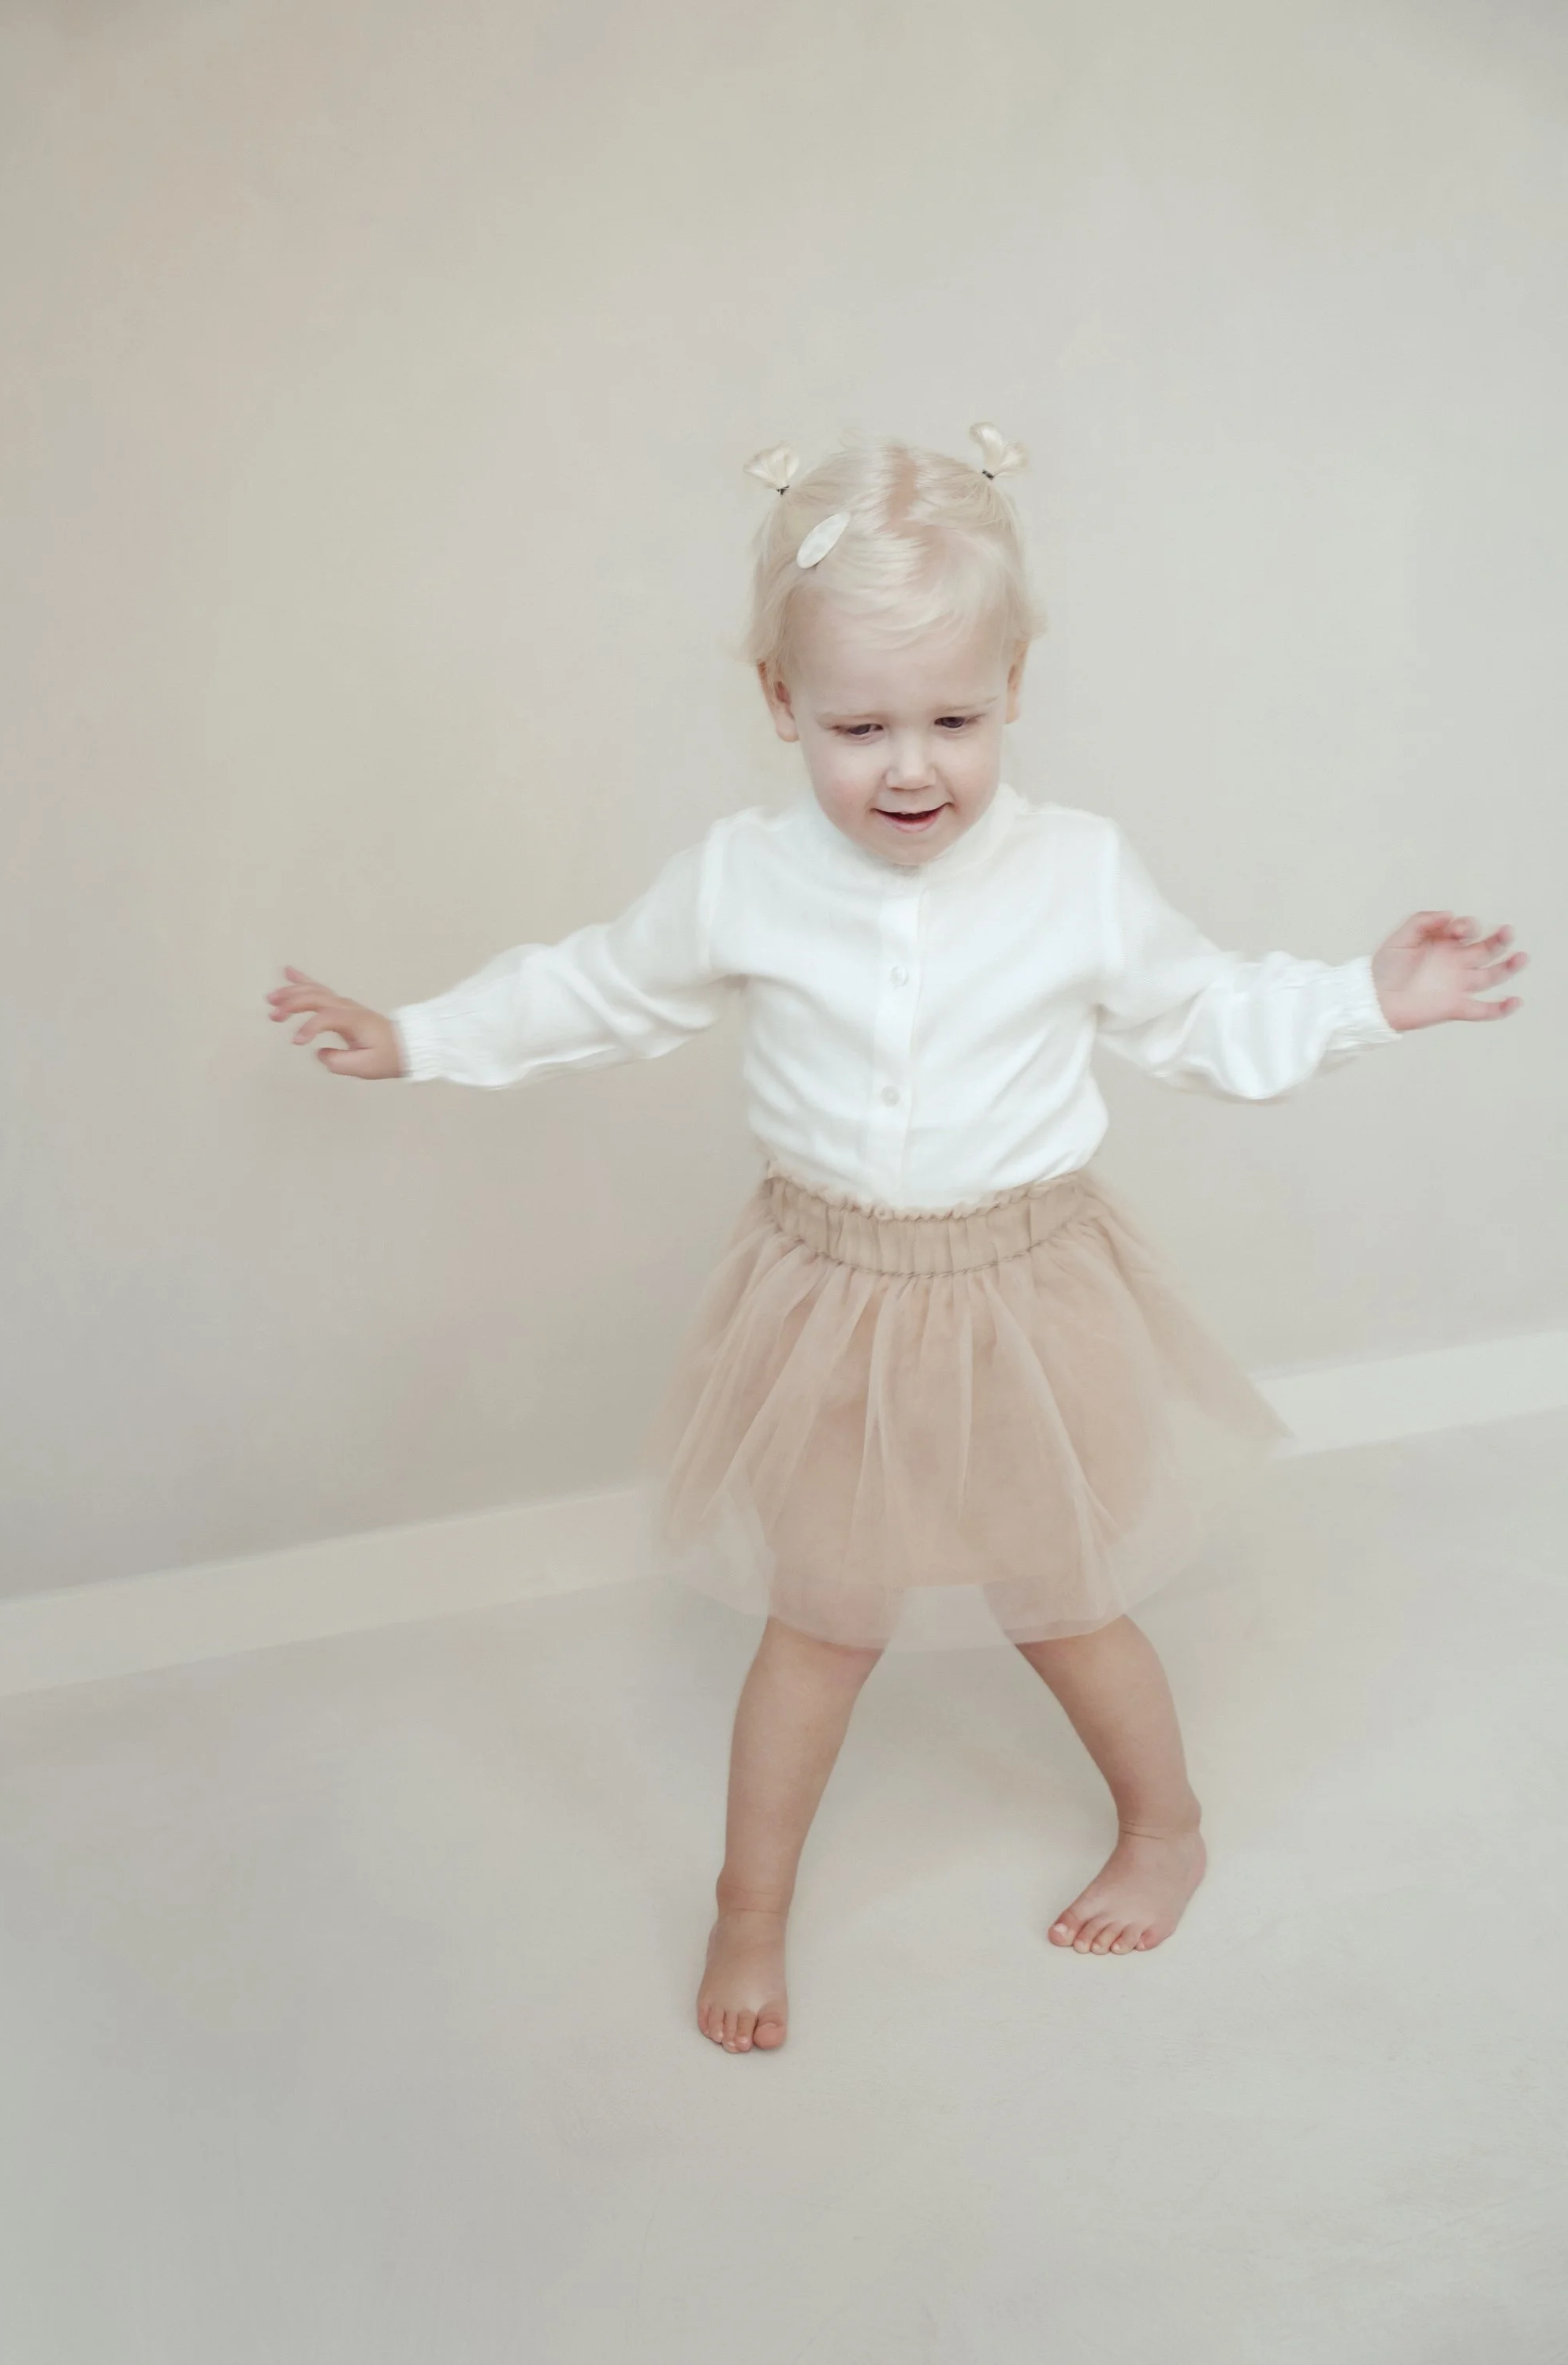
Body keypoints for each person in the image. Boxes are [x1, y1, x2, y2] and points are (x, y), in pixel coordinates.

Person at [266, 423, 1526, 2056]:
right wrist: (421, 1035)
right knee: (821, 1625)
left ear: (1017, 688)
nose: (911, 766)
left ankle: (1163, 1826)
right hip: (827, 1300)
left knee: (1058, 1600)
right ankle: (750, 1908)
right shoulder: (742, 880)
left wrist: (1368, 996)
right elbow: (595, 986)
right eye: (860, 726)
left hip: (1021, 1289)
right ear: (781, 705)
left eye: (954, 718)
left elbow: (1205, 1011)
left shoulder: (1075, 874)